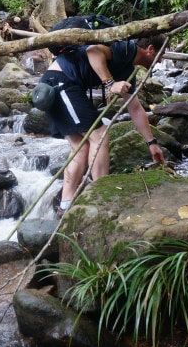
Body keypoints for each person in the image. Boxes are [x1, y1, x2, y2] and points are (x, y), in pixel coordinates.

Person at [37, 35, 166, 215]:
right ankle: (101, 198)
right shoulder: (125, 47)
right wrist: (110, 83)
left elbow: (135, 108)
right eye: (161, 55)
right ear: (150, 49)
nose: (160, 61)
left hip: (58, 84)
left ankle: (65, 206)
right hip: (61, 83)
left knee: (81, 149)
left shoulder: (127, 69)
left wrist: (152, 144)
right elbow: (93, 50)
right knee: (100, 135)